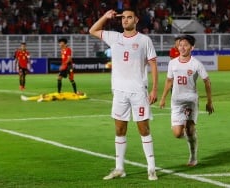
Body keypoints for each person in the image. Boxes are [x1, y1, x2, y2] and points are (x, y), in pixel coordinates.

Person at [89, 9, 158, 180]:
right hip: (119, 92)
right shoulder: (114, 37)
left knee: (144, 129)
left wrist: (155, 89)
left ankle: (151, 168)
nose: (126, 20)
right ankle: (119, 168)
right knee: (120, 129)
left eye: (129, 17)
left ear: (136, 20)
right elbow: (92, 30)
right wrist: (105, 17)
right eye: (124, 18)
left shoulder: (144, 40)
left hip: (138, 92)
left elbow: (153, 65)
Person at [159, 35, 214, 166]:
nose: (182, 47)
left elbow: (207, 81)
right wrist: (163, 98)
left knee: (189, 129)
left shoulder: (196, 64)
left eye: (185, 45)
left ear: (192, 47)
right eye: (180, 45)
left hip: (191, 100)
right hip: (176, 101)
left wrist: (209, 101)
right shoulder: (172, 63)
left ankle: (193, 156)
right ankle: (192, 135)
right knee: (177, 134)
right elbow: (169, 81)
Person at [21, 91, 87, 102]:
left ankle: (43, 99)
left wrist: (83, 94)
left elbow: (85, 96)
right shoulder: (74, 94)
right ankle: (27, 98)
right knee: (42, 95)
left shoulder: (77, 97)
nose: (79, 91)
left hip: (61, 96)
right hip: (58, 94)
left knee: (51, 98)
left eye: (80, 92)